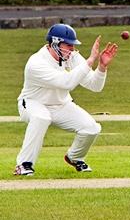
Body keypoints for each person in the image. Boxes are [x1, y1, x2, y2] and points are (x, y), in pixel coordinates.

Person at [13, 24, 118, 176]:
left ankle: (75, 157)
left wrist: (101, 67)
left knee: (91, 128)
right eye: (68, 45)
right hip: (32, 103)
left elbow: (94, 86)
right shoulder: (36, 63)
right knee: (41, 117)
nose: (72, 50)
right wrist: (90, 61)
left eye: (73, 45)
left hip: (61, 104)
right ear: (55, 43)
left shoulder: (71, 57)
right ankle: (24, 164)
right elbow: (66, 82)